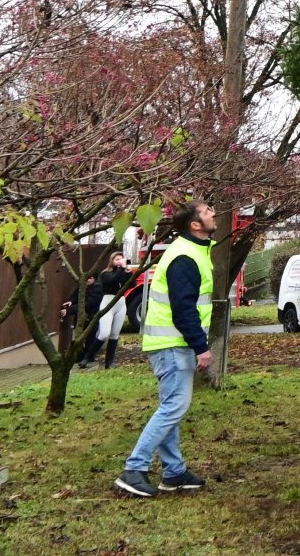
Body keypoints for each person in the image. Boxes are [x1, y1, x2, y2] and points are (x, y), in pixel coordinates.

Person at [114, 201, 215, 498]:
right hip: (173, 345)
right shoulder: (185, 257)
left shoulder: (191, 251)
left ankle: (174, 472)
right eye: (207, 210)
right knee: (174, 407)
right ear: (195, 225)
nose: (213, 213)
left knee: (171, 406)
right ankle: (134, 468)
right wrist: (201, 347)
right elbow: (184, 309)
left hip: (170, 344)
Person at [87, 251, 133, 370]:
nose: (119, 261)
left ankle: (109, 362)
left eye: (121, 259)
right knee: (104, 333)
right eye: (116, 259)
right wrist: (122, 269)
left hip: (121, 303)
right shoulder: (105, 273)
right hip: (108, 302)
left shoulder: (123, 272)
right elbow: (113, 280)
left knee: (114, 334)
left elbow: (132, 284)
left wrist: (128, 271)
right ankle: (87, 357)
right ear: (111, 261)